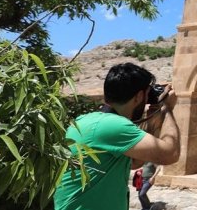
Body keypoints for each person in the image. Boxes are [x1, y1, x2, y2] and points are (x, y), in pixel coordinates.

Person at [54, 63, 181, 210]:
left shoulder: (88, 121)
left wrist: (154, 117)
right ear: (139, 96)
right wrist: (167, 109)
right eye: (147, 94)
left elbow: (135, 161)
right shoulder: (112, 125)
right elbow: (170, 154)